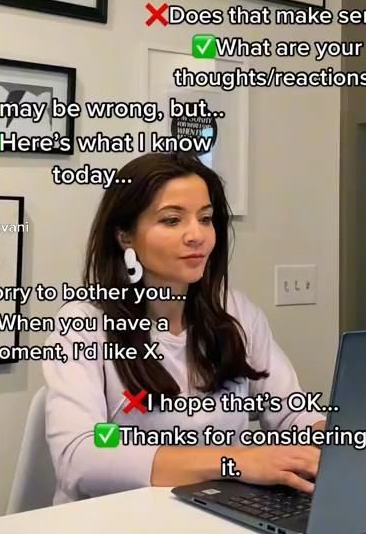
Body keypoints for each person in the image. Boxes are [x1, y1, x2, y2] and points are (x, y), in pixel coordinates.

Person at [43, 152, 324, 505]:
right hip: (112, 530)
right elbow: (79, 458)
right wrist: (234, 462)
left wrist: (332, 444)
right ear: (125, 236)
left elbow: (293, 414)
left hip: (216, 516)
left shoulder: (236, 312)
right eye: (172, 220)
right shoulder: (83, 324)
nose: (197, 236)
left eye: (205, 219)